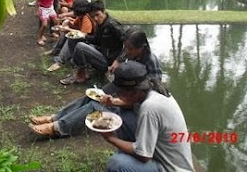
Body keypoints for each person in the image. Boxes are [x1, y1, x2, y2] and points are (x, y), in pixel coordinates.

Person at [30, 61, 194, 172]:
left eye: (120, 91)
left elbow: (144, 156)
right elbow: (131, 104)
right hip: (158, 152)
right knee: (115, 112)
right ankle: (55, 122)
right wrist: (113, 102)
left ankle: (56, 127)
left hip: (170, 167)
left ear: (134, 90)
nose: (118, 93)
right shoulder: (151, 91)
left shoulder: (150, 107)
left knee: (117, 163)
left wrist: (110, 139)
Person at [30, 28, 162, 136]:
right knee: (94, 95)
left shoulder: (151, 61)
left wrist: (116, 101)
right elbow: (124, 53)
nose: (127, 51)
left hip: (136, 106)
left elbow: (152, 92)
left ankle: (58, 128)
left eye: (130, 49)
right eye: (126, 48)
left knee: (95, 106)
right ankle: (55, 117)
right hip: (125, 91)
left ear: (143, 47)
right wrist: (118, 61)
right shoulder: (133, 52)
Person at [60, 0, 125, 85]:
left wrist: (119, 60)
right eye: (93, 16)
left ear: (103, 11)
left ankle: (81, 74)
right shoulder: (100, 24)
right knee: (74, 38)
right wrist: (82, 36)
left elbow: (129, 43)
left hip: (108, 61)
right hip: (101, 52)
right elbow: (96, 40)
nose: (96, 19)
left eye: (97, 15)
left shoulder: (113, 25)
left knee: (80, 46)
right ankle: (82, 69)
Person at [47, 0, 95, 72]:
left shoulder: (86, 19)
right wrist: (68, 21)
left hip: (88, 42)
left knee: (70, 36)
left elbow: (84, 34)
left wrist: (68, 29)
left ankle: (60, 61)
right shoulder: (80, 17)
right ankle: (56, 50)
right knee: (65, 32)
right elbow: (74, 24)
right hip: (82, 37)